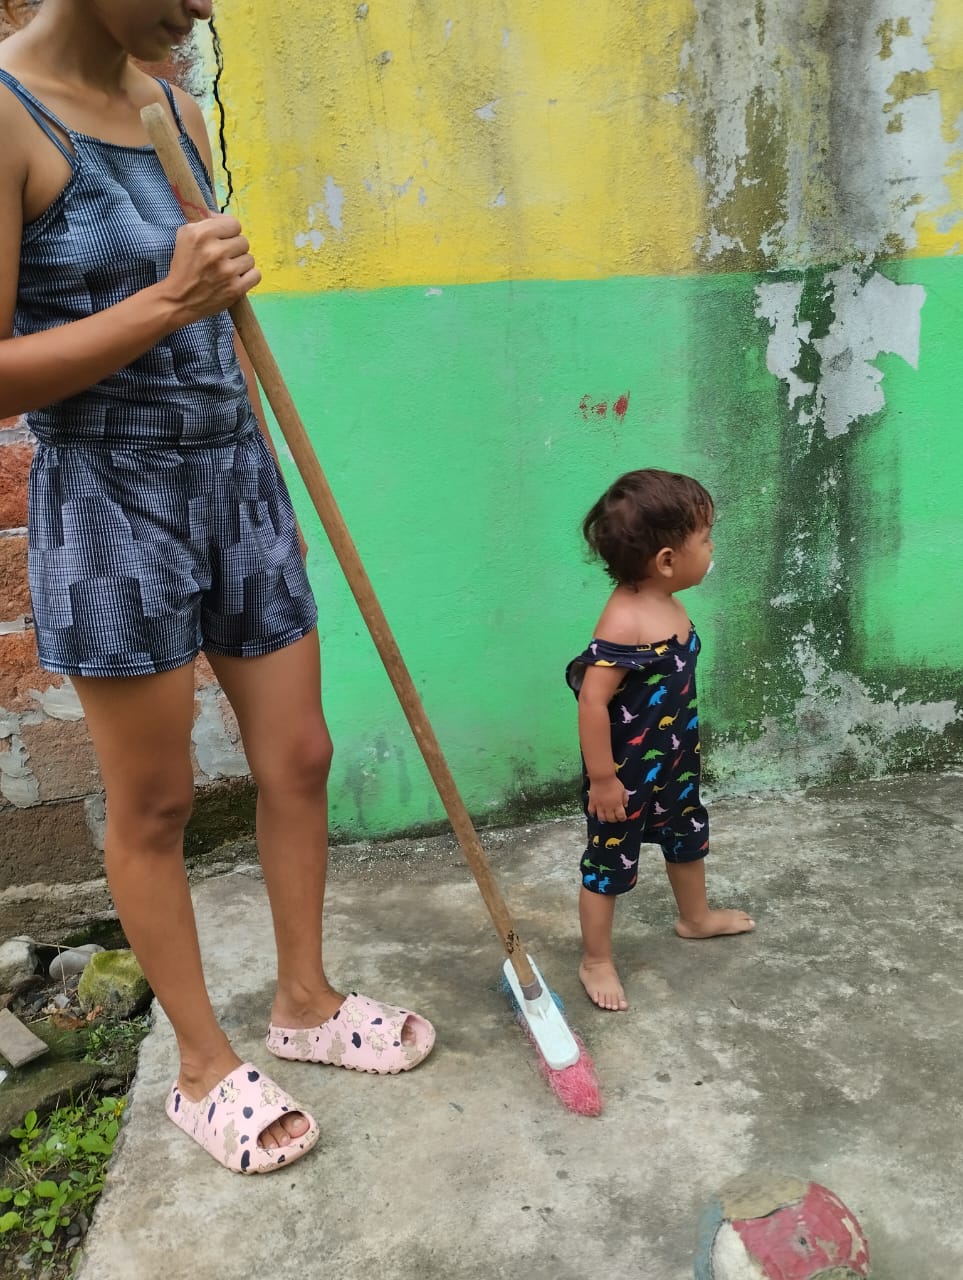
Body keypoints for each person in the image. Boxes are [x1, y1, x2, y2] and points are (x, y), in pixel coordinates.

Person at [0, 0, 434, 1174]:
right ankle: (201, 1064)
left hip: (235, 476)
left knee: (301, 755)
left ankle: (305, 999)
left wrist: (214, 340)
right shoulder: (8, 116)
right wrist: (167, 301)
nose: (200, 7)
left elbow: (210, 315)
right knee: (156, 804)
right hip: (112, 496)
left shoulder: (172, 106)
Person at [566, 468, 754, 1012]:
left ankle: (695, 918)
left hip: (675, 758)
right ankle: (595, 959)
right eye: (706, 539)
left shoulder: (668, 600)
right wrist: (603, 779)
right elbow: (592, 700)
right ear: (667, 560)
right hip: (624, 774)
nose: (713, 548)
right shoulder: (624, 622)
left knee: (687, 831)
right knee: (609, 859)